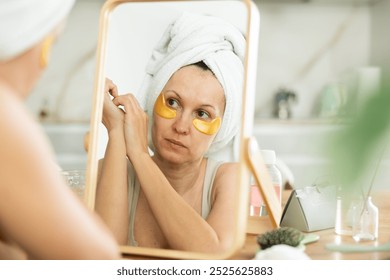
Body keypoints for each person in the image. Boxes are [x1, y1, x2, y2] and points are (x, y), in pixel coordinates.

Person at [96, 12, 245, 253]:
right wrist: (115, 130)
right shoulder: (110, 170)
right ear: (153, 101)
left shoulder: (230, 179)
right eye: (173, 103)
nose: (181, 126)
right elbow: (103, 256)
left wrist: (141, 156)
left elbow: (210, 256)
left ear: (222, 127)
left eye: (202, 114)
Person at [0, 0, 119, 259]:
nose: (45, 66)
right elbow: (97, 261)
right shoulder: (4, 113)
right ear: (34, 43)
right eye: (52, 43)